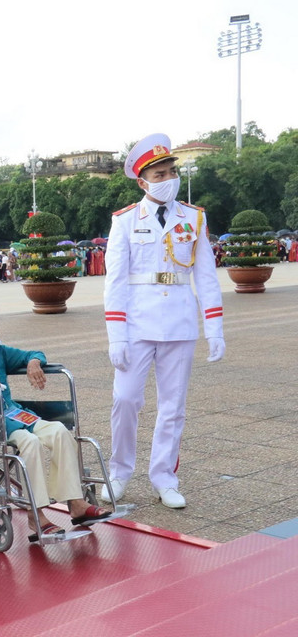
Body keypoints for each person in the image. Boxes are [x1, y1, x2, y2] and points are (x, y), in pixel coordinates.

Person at [103, 133, 224, 509]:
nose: (169, 178)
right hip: (137, 323)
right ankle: (119, 471)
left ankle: (164, 477)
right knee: (125, 399)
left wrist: (215, 328)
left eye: (171, 171)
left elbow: (206, 276)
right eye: (159, 174)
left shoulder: (194, 217)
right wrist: (116, 335)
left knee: (173, 406)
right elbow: (115, 281)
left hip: (179, 322)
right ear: (143, 182)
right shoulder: (125, 221)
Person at [0, 300, 111, 537]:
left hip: (12, 413)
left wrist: (34, 363)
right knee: (30, 442)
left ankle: (75, 503)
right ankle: (36, 514)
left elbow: (34, 354)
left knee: (59, 431)